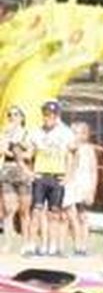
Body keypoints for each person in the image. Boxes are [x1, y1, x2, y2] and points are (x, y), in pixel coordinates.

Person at [25, 100, 75, 257]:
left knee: (54, 213)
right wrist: (27, 171)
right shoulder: (36, 132)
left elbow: (72, 154)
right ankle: (32, 246)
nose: (48, 118)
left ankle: (53, 247)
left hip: (57, 176)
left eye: (52, 115)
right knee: (36, 211)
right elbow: (28, 153)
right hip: (41, 175)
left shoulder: (66, 133)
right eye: (46, 115)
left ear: (57, 116)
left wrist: (68, 175)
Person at [63, 121, 98, 257]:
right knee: (71, 215)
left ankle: (83, 246)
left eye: (78, 133)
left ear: (85, 135)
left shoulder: (89, 149)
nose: (76, 136)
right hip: (71, 183)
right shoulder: (68, 147)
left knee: (83, 216)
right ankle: (76, 245)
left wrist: (92, 190)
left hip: (84, 183)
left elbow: (93, 171)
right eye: (73, 133)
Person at [1, 105, 31, 253]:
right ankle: (7, 243)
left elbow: (29, 154)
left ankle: (26, 243)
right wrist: (14, 149)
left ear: (22, 117)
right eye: (10, 115)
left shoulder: (27, 134)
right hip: (7, 170)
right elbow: (1, 149)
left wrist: (15, 150)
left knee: (24, 211)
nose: (12, 117)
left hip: (22, 172)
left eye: (16, 114)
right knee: (8, 210)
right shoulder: (4, 132)